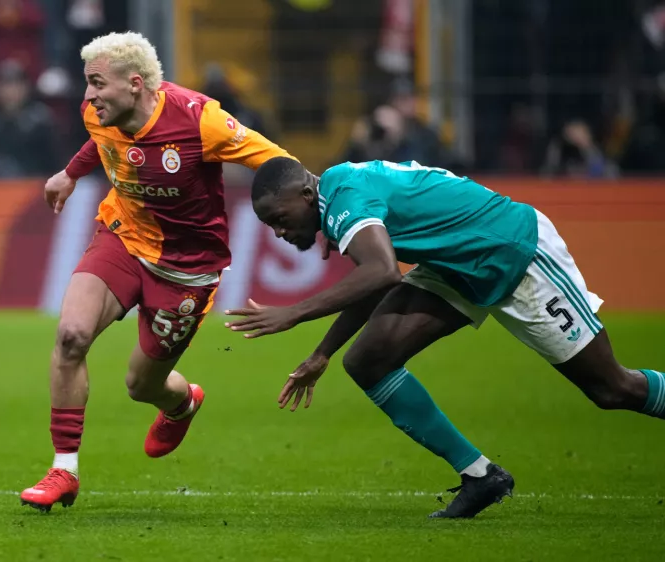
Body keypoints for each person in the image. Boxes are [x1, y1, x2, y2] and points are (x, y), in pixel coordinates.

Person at [224, 157, 665, 519]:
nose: (279, 233)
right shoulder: (339, 192)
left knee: (612, 389)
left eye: (280, 220)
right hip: (456, 264)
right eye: (270, 227)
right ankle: (480, 476)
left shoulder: (346, 197)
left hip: (511, 251)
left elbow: (381, 272)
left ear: (305, 196)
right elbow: (376, 276)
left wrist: (293, 314)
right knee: (368, 360)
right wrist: (322, 354)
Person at [19, 31, 295, 512]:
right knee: (70, 336)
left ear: (135, 83)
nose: (87, 96)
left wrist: (319, 208)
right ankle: (64, 469)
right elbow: (100, 141)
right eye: (87, 84)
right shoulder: (98, 113)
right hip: (122, 237)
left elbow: (274, 158)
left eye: (97, 83)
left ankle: (182, 402)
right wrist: (70, 173)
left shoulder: (199, 120)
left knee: (140, 385)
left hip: (187, 270)